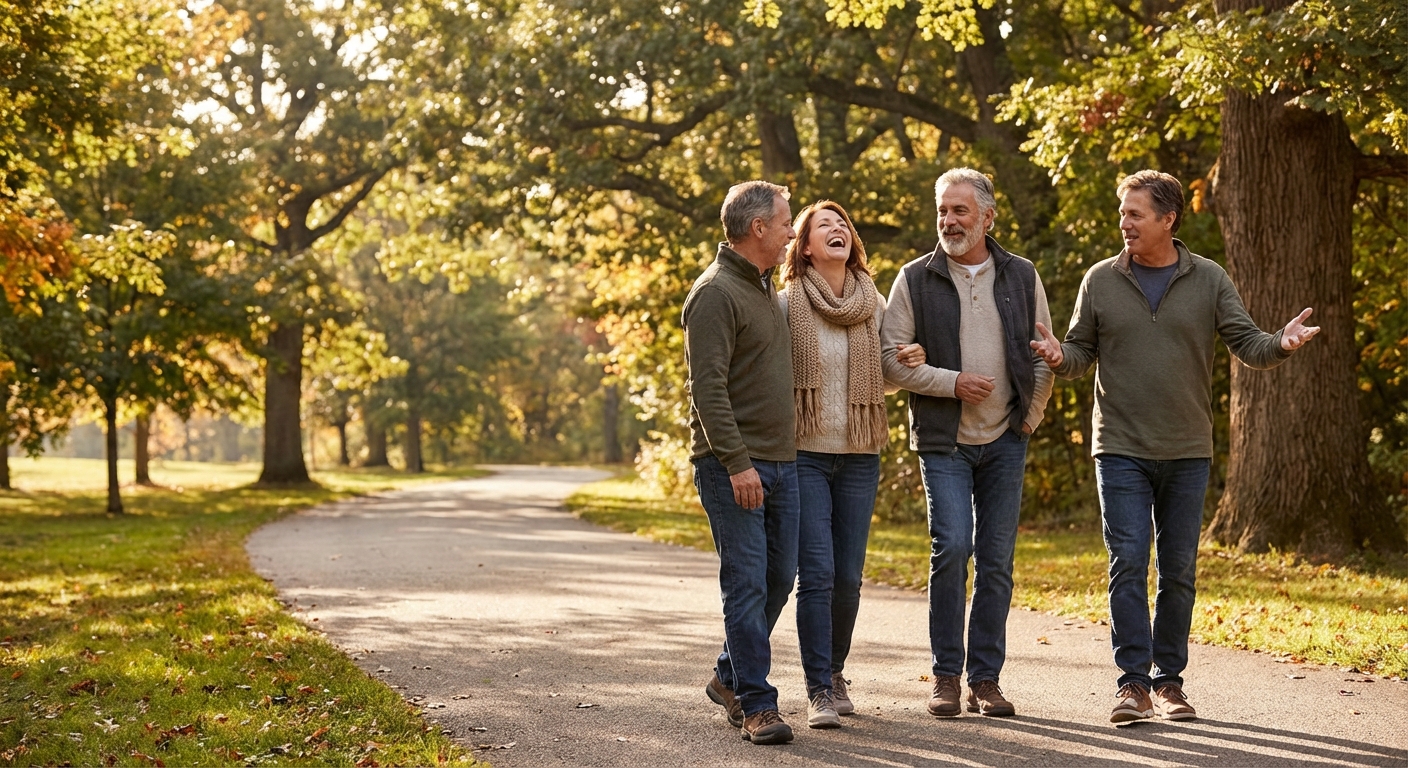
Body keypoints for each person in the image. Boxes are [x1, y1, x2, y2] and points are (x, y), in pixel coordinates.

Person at [1030, 169, 1319, 725]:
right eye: (1123, 213)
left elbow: (1249, 344)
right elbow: (1080, 351)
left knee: (1178, 569)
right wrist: (1057, 356)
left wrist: (1281, 343)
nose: (1125, 223)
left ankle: (1169, 682)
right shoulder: (1101, 278)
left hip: (1187, 449)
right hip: (1119, 445)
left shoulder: (1208, 279)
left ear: (1168, 219)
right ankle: (1132, 684)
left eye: (1136, 214)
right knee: (1128, 560)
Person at [882, 168, 1055, 719]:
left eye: (960, 211)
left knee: (997, 560)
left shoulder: (1021, 275)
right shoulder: (914, 278)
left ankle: (986, 679)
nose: (949, 221)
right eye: (943, 211)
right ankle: (945, 676)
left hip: (1006, 437)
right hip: (944, 441)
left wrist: (1029, 417)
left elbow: (1042, 350)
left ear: (987, 216)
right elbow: (890, 362)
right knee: (953, 546)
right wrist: (950, 382)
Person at [778, 200, 926, 728]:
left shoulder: (872, 301)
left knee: (849, 577)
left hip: (860, 454)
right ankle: (818, 688)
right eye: (824, 225)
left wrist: (903, 362)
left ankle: (835, 671)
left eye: (843, 224)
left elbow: (880, 377)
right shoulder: (786, 303)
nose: (837, 230)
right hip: (805, 454)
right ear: (806, 245)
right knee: (816, 574)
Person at [684, 180, 799, 745]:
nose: (790, 234)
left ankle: (728, 676)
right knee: (748, 582)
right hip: (734, 466)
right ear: (758, 229)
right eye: (784, 224)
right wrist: (736, 463)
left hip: (781, 461)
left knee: (780, 576)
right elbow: (707, 391)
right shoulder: (714, 294)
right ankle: (757, 703)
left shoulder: (762, 285)